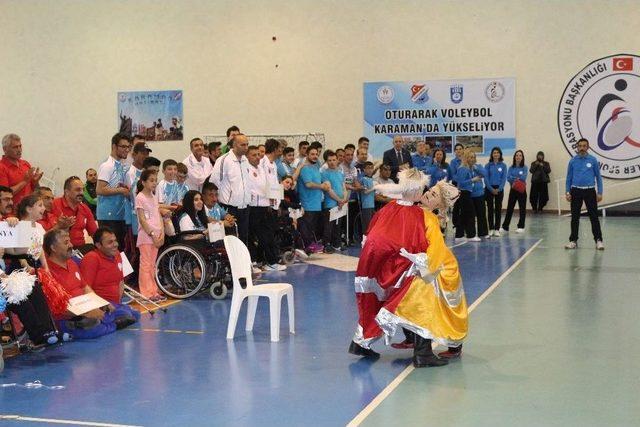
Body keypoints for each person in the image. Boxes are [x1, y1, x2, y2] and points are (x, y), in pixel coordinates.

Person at [348, 170, 467, 367]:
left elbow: (433, 252)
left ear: (441, 205)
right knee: (410, 300)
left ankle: (366, 342)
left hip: (431, 268)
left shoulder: (419, 215)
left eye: (434, 195)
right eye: (430, 190)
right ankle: (422, 351)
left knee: (413, 298)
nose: (429, 194)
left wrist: (423, 266)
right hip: (405, 265)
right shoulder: (413, 212)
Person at [44, 229, 119, 339]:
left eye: (69, 241)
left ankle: (105, 323)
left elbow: (85, 287)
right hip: (69, 317)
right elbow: (57, 308)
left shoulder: (72, 263)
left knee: (127, 314)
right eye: (66, 243)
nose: (71, 245)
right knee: (97, 328)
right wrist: (86, 312)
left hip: (86, 309)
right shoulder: (47, 273)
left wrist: (100, 303)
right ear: (53, 248)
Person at [79, 227, 140, 325]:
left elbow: (121, 282)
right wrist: (101, 306)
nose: (115, 244)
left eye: (115, 241)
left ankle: (109, 321)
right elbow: (85, 288)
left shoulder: (118, 255)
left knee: (136, 314)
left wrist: (118, 303)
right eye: (110, 242)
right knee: (126, 314)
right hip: (101, 306)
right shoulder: (91, 258)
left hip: (114, 304)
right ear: (98, 245)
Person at [247, 143, 285, 270]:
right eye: (254, 155)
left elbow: (267, 186)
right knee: (256, 237)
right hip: (254, 207)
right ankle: (254, 262)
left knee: (267, 235)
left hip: (264, 206)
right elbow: (252, 190)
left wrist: (271, 201)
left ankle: (268, 262)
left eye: (258, 154)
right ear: (247, 157)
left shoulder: (260, 169)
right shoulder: (246, 169)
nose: (258, 157)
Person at [210, 134, 251, 244]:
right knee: (231, 239)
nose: (246, 147)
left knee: (244, 237)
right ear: (234, 145)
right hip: (229, 208)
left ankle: (243, 261)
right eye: (243, 145)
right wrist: (217, 205)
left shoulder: (245, 160)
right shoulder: (223, 160)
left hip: (245, 207)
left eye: (247, 144)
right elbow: (213, 184)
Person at [564, 138, 604, 250]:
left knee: (594, 217)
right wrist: (567, 192)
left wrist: (600, 192)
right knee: (575, 217)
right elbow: (568, 178)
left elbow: (598, 177)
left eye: (584, 146)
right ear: (577, 147)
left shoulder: (593, 160)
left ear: (587, 147)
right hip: (575, 191)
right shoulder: (572, 161)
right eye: (580, 146)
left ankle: (598, 240)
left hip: (590, 191)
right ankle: (573, 241)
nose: (582, 148)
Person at [96, 133, 131, 250]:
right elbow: (100, 189)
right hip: (108, 216)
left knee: (120, 250)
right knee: (110, 250)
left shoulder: (121, 165)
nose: (127, 150)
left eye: (128, 147)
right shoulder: (107, 165)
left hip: (119, 215)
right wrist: (121, 190)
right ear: (114, 146)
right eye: (123, 146)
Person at [135, 170, 165, 301]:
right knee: (146, 264)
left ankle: (154, 291)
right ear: (143, 182)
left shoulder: (154, 197)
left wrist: (162, 233)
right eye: (151, 180)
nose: (154, 183)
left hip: (157, 235)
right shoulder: (140, 197)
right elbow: (142, 219)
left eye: (155, 180)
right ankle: (146, 293)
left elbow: (158, 216)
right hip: (146, 236)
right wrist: (152, 234)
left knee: (152, 264)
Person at [296, 145, 329, 252]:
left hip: (316, 203)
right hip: (307, 203)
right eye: (312, 154)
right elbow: (308, 184)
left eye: (316, 154)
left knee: (311, 227)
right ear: (307, 155)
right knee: (306, 226)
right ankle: (306, 246)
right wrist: (322, 186)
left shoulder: (315, 168)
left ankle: (310, 246)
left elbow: (319, 181)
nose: (315, 156)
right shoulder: (305, 168)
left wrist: (325, 183)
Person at [51, 176, 99, 250]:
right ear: (67, 192)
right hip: (59, 249)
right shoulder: (54, 204)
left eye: (83, 190)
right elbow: (45, 233)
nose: (81, 193)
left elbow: (95, 234)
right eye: (78, 190)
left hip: (80, 249)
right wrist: (60, 226)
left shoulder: (85, 208)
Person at [0, 133, 43, 205]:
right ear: (5, 149)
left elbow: (35, 190)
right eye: (15, 147)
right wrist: (24, 182)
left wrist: (35, 182)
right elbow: (4, 195)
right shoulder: (1, 167)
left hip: (28, 210)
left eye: (20, 146)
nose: (19, 150)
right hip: (12, 212)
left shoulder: (25, 164)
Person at [320, 150, 347, 253]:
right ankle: (326, 245)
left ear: (337, 160)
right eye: (329, 160)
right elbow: (329, 190)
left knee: (338, 225)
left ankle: (337, 244)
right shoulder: (324, 173)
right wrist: (339, 200)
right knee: (329, 226)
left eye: (334, 160)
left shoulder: (340, 172)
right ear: (326, 161)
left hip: (340, 204)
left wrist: (343, 199)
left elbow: (343, 186)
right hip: (330, 204)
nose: (332, 162)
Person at [455, 149, 483, 242]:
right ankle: (471, 235)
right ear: (466, 158)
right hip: (464, 193)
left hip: (467, 193)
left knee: (463, 215)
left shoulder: (469, 168)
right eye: (471, 157)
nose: (473, 159)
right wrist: (473, 180)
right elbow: (461, 183)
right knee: (471, 214)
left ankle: (459, 235)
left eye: (474, 157)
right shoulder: (463, 168)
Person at [501, 150, 528, 234]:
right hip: (513, 190)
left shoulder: (525, 167)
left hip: (521, 191)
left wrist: (514, 179)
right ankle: (505, 227)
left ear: (522, 157)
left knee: (522, 209)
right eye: (517, 155)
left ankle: (521, 226)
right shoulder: (511, 167)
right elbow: (508, 178)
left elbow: (523, 177)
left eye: (520, 155)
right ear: (514, 157)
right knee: (509, 208)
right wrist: (517, 179)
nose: (518, 157)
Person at [484, 147, 507, 237]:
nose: (496, 154)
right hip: (489, 189)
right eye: (494, 153)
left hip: (499, 189)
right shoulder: (487, 165)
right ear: (492, 154)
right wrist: (491, 189)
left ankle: (497, 229)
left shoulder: (503, 166)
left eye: (497, 152)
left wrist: (499, 189)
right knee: (490, 209)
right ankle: (491, 228)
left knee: (498, 209)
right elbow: (486, 178)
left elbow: (504, 178)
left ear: (500, 154)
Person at [359, 162, 376, 233]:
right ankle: (364, 241)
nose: (370, 170)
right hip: (366, 205)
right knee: (367, 225)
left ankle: (370, 240)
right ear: (364, 170)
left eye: (371, 168)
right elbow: (365, 192)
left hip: (372, 205)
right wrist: (374, 188)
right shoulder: (363, 179)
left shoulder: (372, 180)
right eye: (368, 168)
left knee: (372, 224)